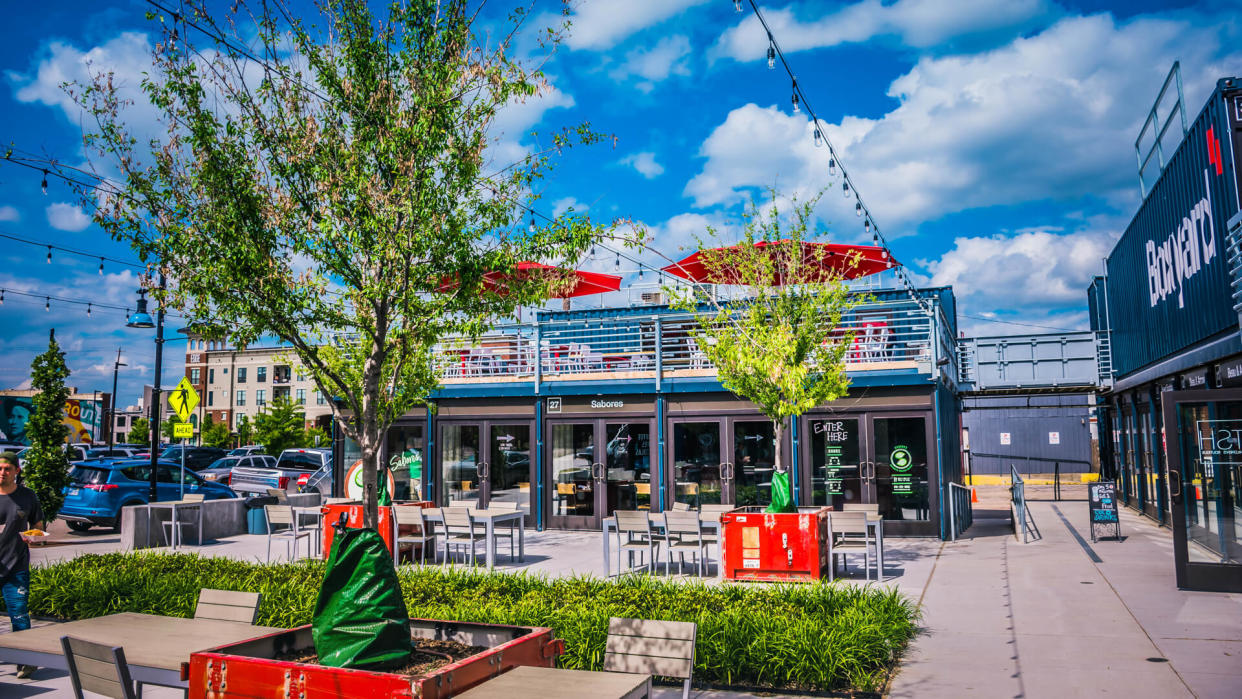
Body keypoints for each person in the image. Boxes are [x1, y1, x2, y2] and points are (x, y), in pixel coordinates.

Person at [0, 452, 44, 679]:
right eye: (0, 468)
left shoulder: (27, 496)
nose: (2, 472)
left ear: (17, 470)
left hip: (16, 566)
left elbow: (37, 524)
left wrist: (35, 537)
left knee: (18, 614)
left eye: (7, 468)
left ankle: (26, 661)